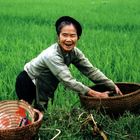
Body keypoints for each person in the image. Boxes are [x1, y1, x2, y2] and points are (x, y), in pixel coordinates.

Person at [15, 16, 122, 111]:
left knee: (41, 113)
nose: (68, 39)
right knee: (25, 115)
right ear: (58, 37)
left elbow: (90, 70)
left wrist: (111, 85)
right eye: (64, 35)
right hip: (27, 82)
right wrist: (97, 94)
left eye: (72, 35)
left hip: (44, 84)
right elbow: (68, 80)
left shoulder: (75, 52)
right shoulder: (51, 55)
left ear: (78, 38)